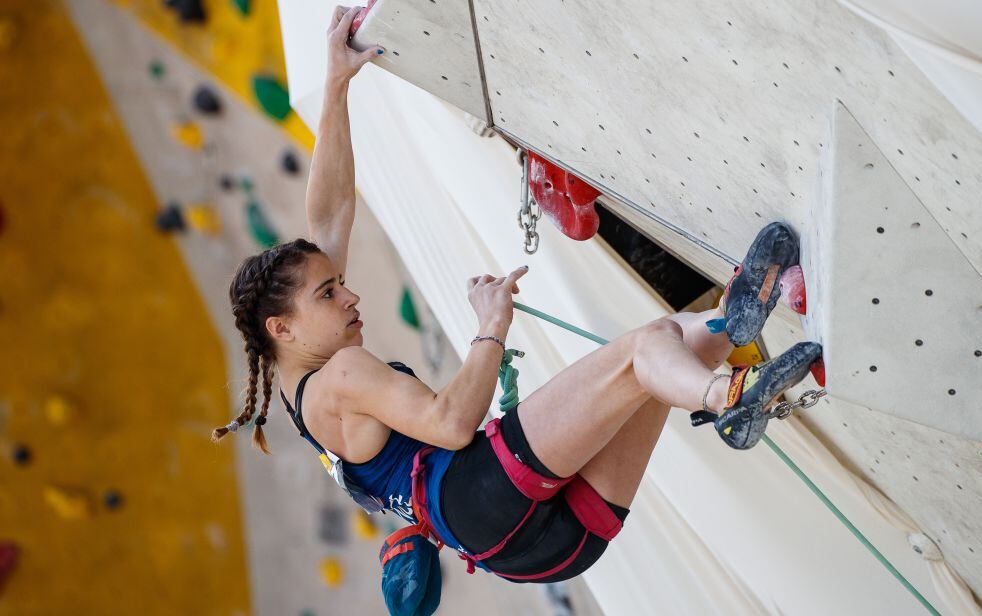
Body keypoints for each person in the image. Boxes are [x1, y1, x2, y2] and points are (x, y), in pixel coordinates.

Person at [212, 5, 822, 585]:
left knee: (661, 366)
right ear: (281, 328)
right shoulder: (339, 371)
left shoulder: (302, 396)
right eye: (329, 293)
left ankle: (730, 322)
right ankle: (729, 396)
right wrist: (490, 325)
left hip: (543, 550)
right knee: (647, 349)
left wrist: (337, 85)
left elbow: (331, 214)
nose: (349, 298)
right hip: (485, 496)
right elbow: (450, 424)